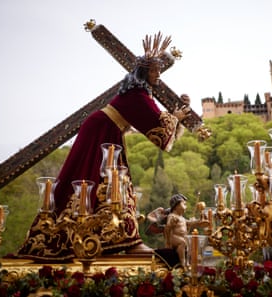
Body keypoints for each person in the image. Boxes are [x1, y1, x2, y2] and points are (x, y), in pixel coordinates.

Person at [17, 32, 191, 262]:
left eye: (159, 70)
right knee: (108, 183)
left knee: (113, 184)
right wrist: (177, 116)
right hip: (101, 133)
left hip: (106, 131)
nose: (158, 74)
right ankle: (125, 242)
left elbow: (156, 118)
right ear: (143, 73)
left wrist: (176, 114)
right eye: (154, 70)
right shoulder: (136, 95)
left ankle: (120, 240)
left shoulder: (138, 94)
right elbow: (158, 127)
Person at [164, 194, 207, 267]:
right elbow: (168, 226)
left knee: (190, 242)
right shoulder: (172, 216)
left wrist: (200, 220)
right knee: (182, 242)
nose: (186, 207)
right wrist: (171, 223)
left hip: (182, 238)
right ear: (176, 205)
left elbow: (191, 223)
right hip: (173, 238)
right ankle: (183, 262)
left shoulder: (182, 218)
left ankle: (192, 260)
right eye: (184, 204)